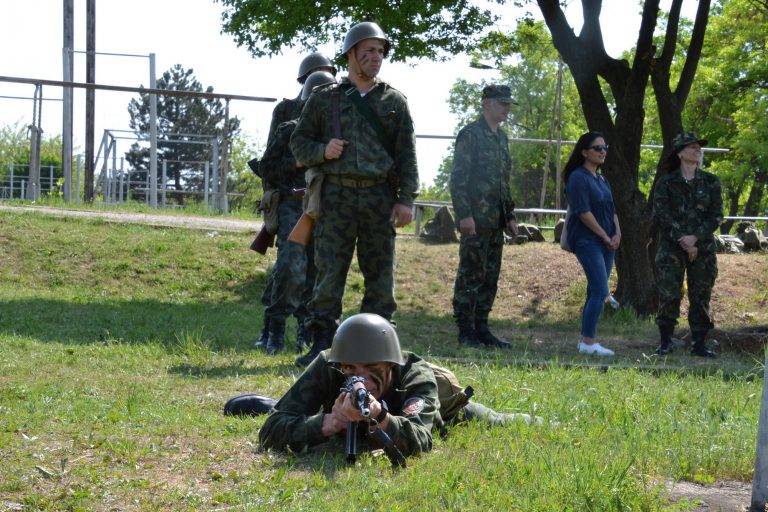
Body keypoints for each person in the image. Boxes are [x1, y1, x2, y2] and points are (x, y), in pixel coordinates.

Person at [290, 22, 419, 366]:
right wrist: (323, 150)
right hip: (337, 197)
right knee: (329, 275)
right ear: (351, 54)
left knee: (381, 278)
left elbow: (407, 155)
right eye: (369, 51)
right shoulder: (324, 98)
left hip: (379, 198)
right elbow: (298, 144)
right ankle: (321, 347)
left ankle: (378, 351)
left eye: (380, 51)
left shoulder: (394, 101)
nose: (376, 57)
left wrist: (406, 199)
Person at [244, 313, 541, 460]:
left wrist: (382, 418)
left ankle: (542, 421)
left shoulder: (415, 374)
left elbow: (422, 439)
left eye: (371, 369)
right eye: (350, 369)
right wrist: (328, 422)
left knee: (492, 419)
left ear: (389, 366)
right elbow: (270, 430)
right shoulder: (328, 363)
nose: (359, 378)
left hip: (440, 409)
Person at [254, 53, 337, 350]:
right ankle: (274, 328)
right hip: (292, 201)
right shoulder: (288, 120)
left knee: (316, 271)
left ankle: (306, 331)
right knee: (290, 265)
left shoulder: (338, 127)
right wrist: (297, 163)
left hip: (324, 205)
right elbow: (268, 166)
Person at [449, 85, 518, 349]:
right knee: (471, 274)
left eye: (508, 104)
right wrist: (464, 215)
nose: (506, 109)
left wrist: (509, 215)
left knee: (490, 276)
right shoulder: (470, 135)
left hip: (495, 221)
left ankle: (482, 327)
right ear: (486, 103)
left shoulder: (502, 138)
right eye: (502, 103)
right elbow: (458, 179)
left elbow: (503, 182)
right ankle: (466, 330)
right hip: (475, 220)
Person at [652, 132, 723, 358]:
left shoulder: (711, 182)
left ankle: (699, 344)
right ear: (680, 153)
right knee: (669, 293)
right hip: (672, 248)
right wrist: (683, 239)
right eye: (692, 147)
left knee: (701, 295)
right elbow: (661, 215)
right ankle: (665, 342)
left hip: (702, 248)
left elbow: (716, 215)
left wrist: (695, 238)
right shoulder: (666, 183)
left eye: (698, 147)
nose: (697, 150)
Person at [563, 132, 620, 357]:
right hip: (587, 241)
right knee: (600, 290)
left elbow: (612, 210)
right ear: (585, 152)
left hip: (607, 242)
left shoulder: (602, 179)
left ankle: (586, 340)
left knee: (594, 290)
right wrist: (605, 236)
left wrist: (617, 234)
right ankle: (588, 342)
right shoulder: (578, 177)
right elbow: (583, 212)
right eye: (597, 148)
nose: (603, 151)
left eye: (605, 147)